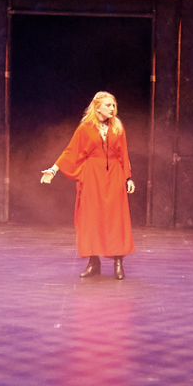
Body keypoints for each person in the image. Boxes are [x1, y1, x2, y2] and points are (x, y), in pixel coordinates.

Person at [40, 91, 135, 279]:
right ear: (97, 106)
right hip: (92, 177)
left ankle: (118, 262)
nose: (112, 109)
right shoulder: (85, 129)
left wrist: (128, 178)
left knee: (116, 218)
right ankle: (94, 262)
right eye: (108, 105)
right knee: (91, 218)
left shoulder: (117, 127)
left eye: (113, 105)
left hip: (114, 176)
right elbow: (70, 151)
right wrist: (52, 170)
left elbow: (124, 154)